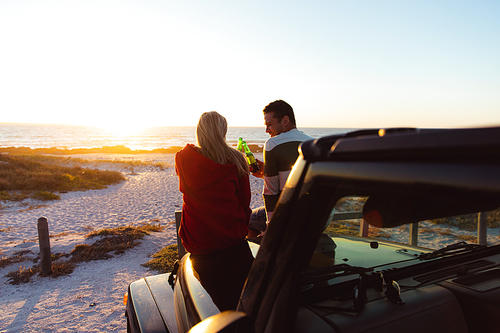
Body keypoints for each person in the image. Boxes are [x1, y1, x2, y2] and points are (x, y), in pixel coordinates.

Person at [175, 111, 254, 311]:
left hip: (199, 243)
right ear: (223, 131)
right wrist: (242, 227)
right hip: (233, 240)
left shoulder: (183, 159)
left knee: (219, 302)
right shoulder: (236, 160)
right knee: (250, 300)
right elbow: (244, 203)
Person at [248, 100, 313, 237]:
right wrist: (266, 173)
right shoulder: (312, 142)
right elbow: (295, 177)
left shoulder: (272, 143)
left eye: (269, 125)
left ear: (285, 120)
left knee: (249, 219)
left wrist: (271, 229)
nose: (266, 131)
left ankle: (263, 255)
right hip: (314, 217)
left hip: (290, 218)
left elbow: (270, 192)